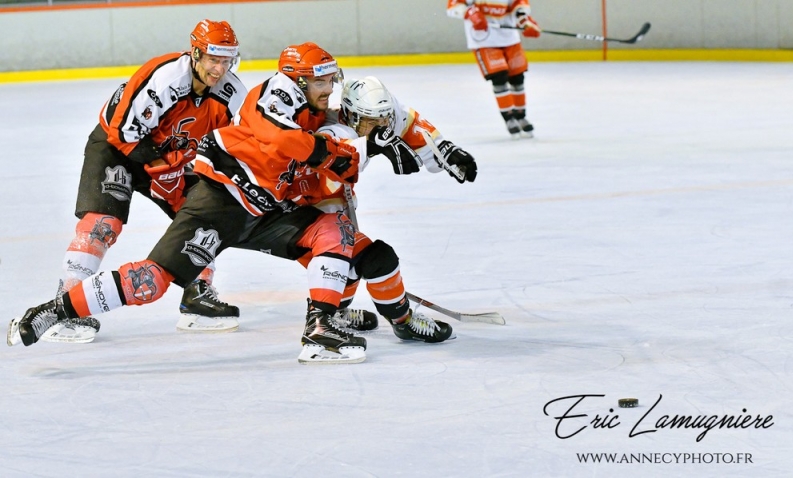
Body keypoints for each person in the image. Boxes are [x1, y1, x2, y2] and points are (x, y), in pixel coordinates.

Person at [7, 43, 451, 364]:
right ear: (297, 81)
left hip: (270, 213)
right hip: (221, 200)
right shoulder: (271, 96)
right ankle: (54, 310)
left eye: (331, 79)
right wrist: (350, 154)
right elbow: (286, 142)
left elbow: (389, 114)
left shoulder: (325, 117)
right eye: (321, 80)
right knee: (153, 282)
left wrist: (436, 146)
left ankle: (321, 329)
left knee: (336, 233)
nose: (329, 87)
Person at [41, 19, 247, 343]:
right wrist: (161, 167)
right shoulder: (164, 79)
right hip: (117, 149)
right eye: (212, 59)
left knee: (207, 212)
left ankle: (198, 293)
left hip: (169, 161)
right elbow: (122, 131)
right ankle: (64, 301)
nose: (219, 69)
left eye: (226, 60)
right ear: (195, 53)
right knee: (103, 222)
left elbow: (245, 140)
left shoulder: (232, 95)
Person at [313, 76, 478, 332]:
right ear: (351, 116)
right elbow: (334, 165)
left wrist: (445, 151)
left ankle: (336, 313)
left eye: (383, 119)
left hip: (332, 207)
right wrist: (371, 146)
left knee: (351, 260)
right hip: (308, 210)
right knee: (371, 258)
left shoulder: (376, 116)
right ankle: (403, 322)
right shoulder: (332, 131)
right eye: (372, 121)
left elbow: (407, 120)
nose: (381, 126)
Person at [446, 0, 541, 138]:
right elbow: (453, 6)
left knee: (517, 77)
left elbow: (517, 4)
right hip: (484, 39)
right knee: (499, 77)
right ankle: (509, 118)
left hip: (509, 38)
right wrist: (470, 13)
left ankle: (521, 116)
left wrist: (523, 19)